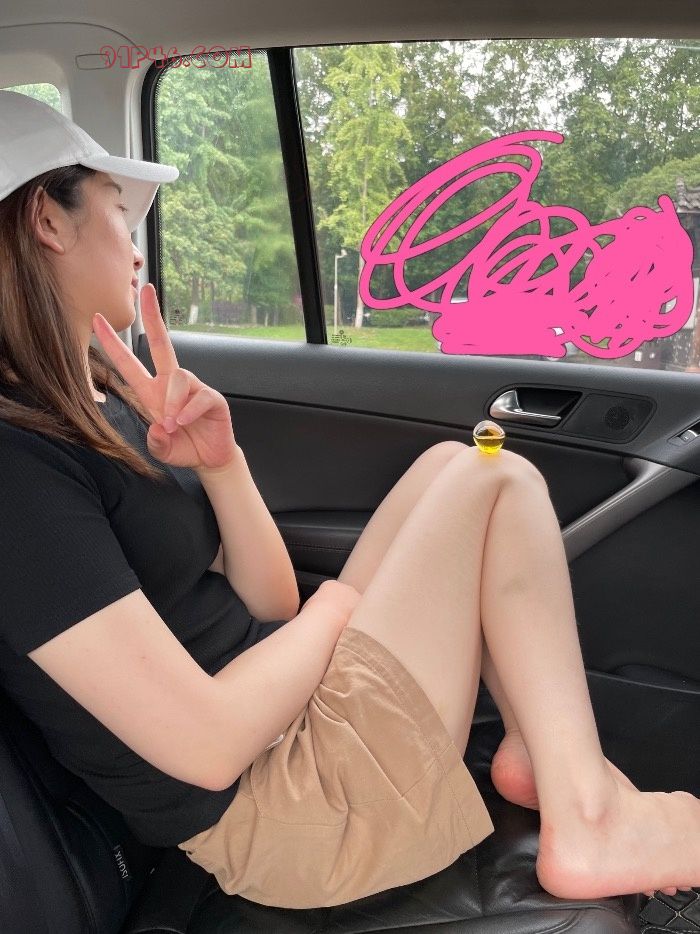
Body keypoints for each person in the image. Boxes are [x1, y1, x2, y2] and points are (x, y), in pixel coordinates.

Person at [0, 89, 697, 910]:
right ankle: (590, 821)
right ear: (48, 221)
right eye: (119, 209)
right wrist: (341, 605)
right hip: (289, 812)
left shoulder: (100, 403)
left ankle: (542, 755)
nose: (136, 247)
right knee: (493, 476)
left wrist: (221, 466)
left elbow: (267, 602)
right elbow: (208, 747)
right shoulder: (17, 470)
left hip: (291, 722)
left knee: (451, 462)